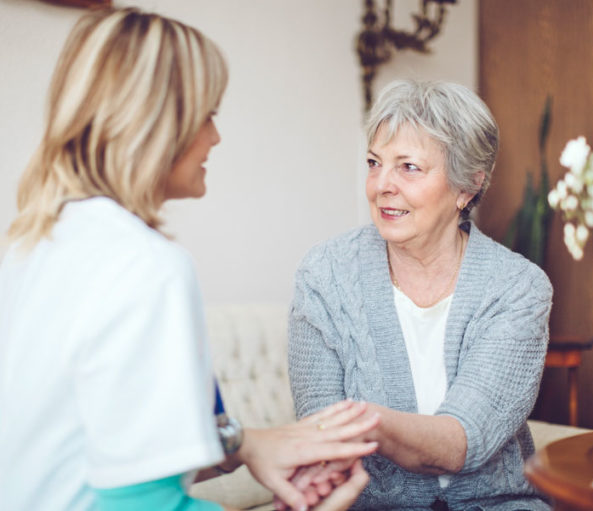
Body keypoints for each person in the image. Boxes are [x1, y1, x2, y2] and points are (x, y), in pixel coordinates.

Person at [0, 8, 380, 511]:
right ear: (158, 123)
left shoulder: (28, 247)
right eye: (208, 115)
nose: (215, 137)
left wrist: (242, 443)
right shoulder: (146, 267)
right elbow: (137, 505)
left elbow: (79, 447)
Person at [288, 79, 553, 510]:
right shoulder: (324, 276)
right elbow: (322, 440)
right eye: (375, 163)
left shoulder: (517, 287)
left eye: (408, 167)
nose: (381, 185)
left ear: (466, 187)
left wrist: (356, 421)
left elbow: (459, 442)